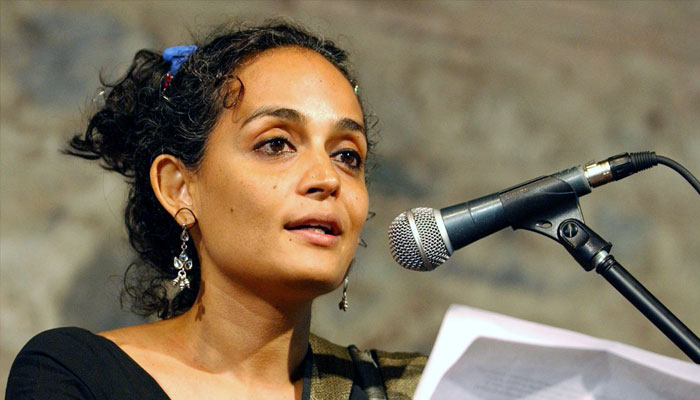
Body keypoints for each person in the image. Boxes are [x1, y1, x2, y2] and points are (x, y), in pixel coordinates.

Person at [6, 21, 425, 400]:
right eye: (276, 143)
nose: (328, 179)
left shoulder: (405, 389)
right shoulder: (77, 376)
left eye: (347, 156)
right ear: (179, 188)